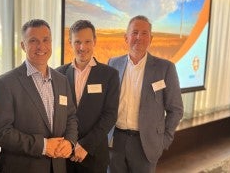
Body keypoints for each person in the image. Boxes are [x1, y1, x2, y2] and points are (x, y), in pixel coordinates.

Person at [0, 19, 78, 173]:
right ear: (23, 45)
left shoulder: (61, 80)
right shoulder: (5, 83)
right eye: (33, 41)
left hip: (58, 167)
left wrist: (69, 142)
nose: (41, 46)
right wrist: (43, 146)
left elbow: (71, 117)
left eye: (46, 40)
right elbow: (0, 133)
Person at [108, 15, 183, 173]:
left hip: (145, 144)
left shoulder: (165, 68)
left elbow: (176, 109)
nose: (139, 38)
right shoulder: (113, 64)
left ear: (151, 38)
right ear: (126, 37)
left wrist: (164, 140)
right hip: (116, 141)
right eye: (134, 32)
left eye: (144, 33)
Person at [56, 20, 120, 173]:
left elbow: (110, 115)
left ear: (94, 42)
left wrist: (85, 145)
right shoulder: (59, 73)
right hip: (64, 154)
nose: (82, 47)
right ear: (70, 42)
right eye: (77, 42)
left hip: (94, 153)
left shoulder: (109, 75)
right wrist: (68, 144)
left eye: (87, 41)